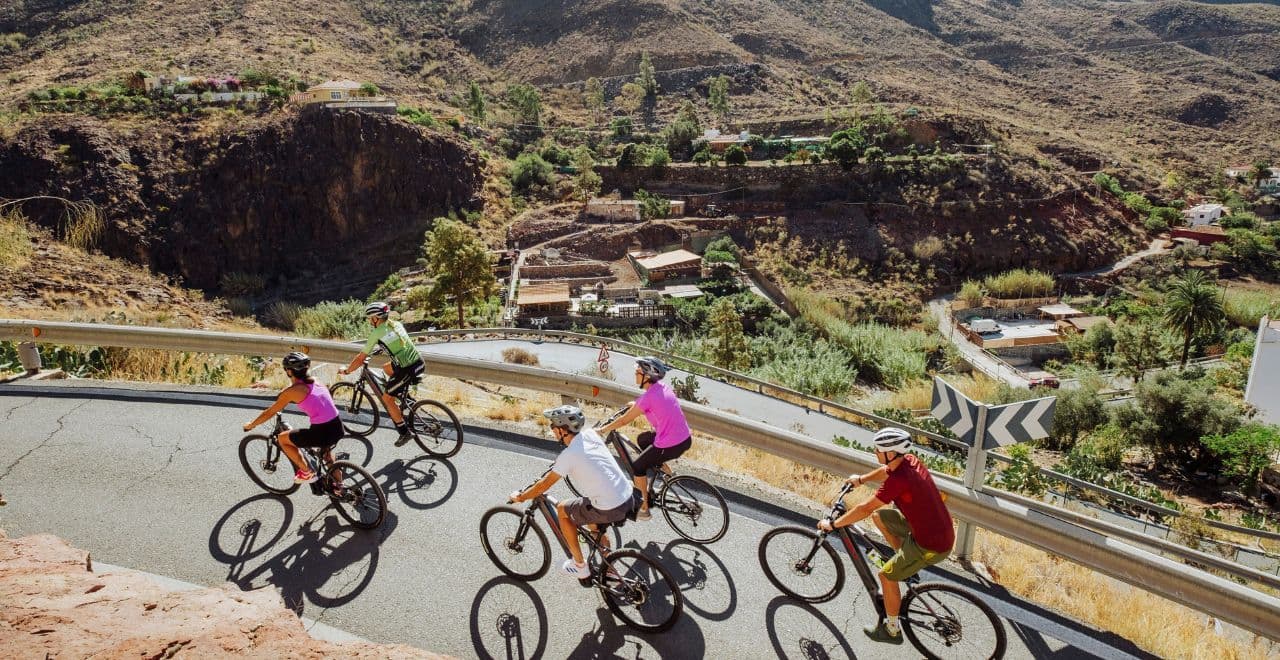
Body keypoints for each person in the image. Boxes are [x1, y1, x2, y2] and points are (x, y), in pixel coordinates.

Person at [818, 427, 955, 645]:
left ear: (891, 453)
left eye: (878, 449)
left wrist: (833, 524)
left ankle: (891, 630)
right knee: (880, 516)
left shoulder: (899, 481)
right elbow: (885, 471)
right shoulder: (908, 460)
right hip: (936, 529)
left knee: (885, 576)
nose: (875, 452)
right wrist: (860, 480)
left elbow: (863, 508)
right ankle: (905, 567)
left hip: (930, 545)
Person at [510, 405, 636, 579]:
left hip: (610, 506)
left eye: (553, 427)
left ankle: (579, 566)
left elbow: (543, 486)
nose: (552, 430)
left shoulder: (569, 455)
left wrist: (521, 496)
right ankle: (609, 566)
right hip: (628, 497)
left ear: (562, 430)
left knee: (562, 509)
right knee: (592, 518)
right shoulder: (590, 434)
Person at [598, 356, 692, 520]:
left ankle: (644, 508)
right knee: (643, 440)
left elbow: (624, 420)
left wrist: (603, 429)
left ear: (647, 376)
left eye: (638, 372)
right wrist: (634, 405)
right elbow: (652, 403)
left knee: (638, 467)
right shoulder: (662, 388)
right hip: (684, 438)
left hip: (671, 444)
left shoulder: (647, 397)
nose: (635, 374)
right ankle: (669, 476)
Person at [243, 352, 344, 483]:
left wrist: (251, 424)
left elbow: (269, 412)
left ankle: (307, 473)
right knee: (327, 455)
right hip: (337, 426)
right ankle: (340, 487)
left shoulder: (292, 392)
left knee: (282, 439)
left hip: (321, 432)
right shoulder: (316, 380)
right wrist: (287, 392)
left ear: (289, 372)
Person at [338, 301, 425, 447]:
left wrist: (347, 371)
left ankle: (404, 432)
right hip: (418, 361)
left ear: (375, 318)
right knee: (386, 368)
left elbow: (360, 358)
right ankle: (407, 399)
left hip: (407, 368)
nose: (369, 321)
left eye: (370, 318)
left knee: (387, 399)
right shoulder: (395, 324)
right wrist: (380, 349)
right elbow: (396, 342)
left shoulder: (377, 333)